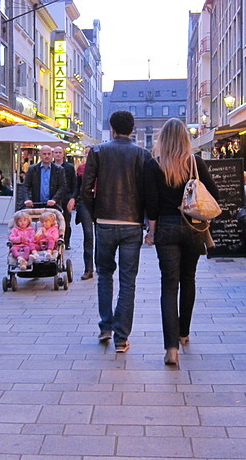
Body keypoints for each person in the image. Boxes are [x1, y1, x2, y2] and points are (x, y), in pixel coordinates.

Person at [143, 119, 219, 366]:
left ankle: (171, 348)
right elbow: (215, 195)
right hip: (193, 227)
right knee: (188, 279)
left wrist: (151, 231)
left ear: (162, 139)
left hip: (166, 227)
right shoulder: (195, 163)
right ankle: (184, 332)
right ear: (185, 138)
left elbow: (151, 203)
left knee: (168, 285)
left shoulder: (154, 165)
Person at [82, 110, 151, 353]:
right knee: (128, 281)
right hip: (132, 223)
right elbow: (147, 190)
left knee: (104, 275)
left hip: (105, 221)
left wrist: (94, 213)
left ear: (111, 127)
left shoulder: (98, 151)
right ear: (132, 129)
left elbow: (86, 188)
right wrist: (146, 221)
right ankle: (122, 336)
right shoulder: (142, 154)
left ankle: (105, 326)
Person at [74, 145, 94, 280]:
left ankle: (100, 264)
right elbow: (77, 186)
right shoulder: (81, 169)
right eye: (86, 153)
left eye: (90, 153)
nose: (88, 155)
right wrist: (73, 199)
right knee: (88, 234)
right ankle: (88, 268)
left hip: (100, 202)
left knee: (101, 235)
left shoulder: (103, 168)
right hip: (84, 202)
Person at [53, 146, 77, 249]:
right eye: (56, 152)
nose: (58, 154)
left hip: (66, 197)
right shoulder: (51, 167)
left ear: (63, 154)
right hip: (54, 198)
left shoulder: (69, 167)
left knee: (66, 221)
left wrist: (72, 198)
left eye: (60, 152)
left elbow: (74, 184)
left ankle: (66, 242)